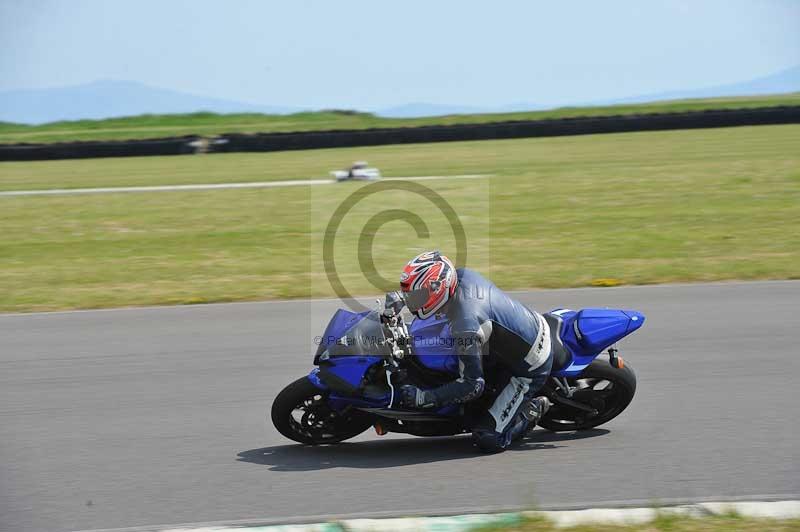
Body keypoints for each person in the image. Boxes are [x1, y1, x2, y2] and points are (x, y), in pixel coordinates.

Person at [395, 250, 553, 452]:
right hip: (514, 332)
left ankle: (532, 410)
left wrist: (426, 398)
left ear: (437, 289)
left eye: (416, 296)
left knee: (487, 438)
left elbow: (472, 386)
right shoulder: (459, 277)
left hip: (530, 363)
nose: (412, 300)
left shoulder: (465, 325)